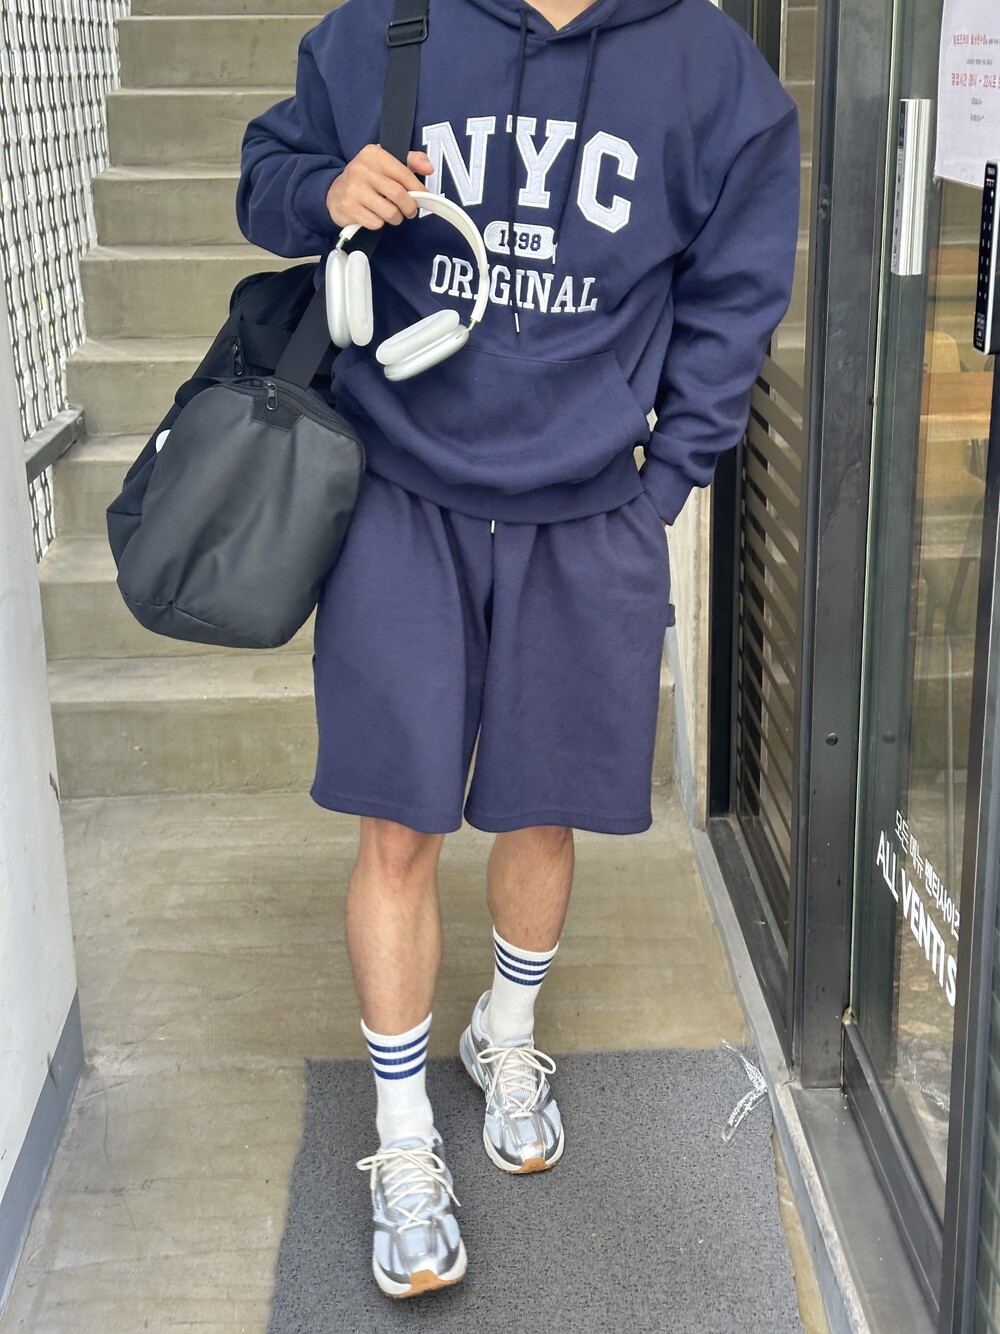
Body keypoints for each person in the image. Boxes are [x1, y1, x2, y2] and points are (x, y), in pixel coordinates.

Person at [236, 0, 799, 1300]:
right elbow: (264, 178)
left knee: (543, 810)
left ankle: (507, 1028)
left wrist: (666, 482)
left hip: (589, 508)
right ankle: (402, 1135)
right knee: (397, 825)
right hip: (400, 491)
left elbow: (737, 291)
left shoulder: (708, 66)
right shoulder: (388, 29)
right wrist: (327, 190)